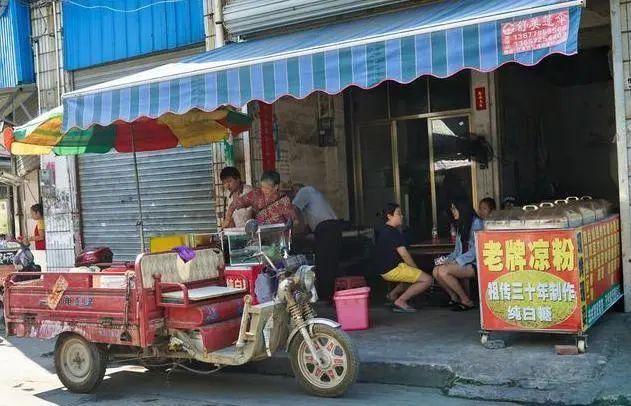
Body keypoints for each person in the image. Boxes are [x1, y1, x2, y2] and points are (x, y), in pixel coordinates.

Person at [432, 197, 496, 311]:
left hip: (475, 263)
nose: (453, 212)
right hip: (462, 262)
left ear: (462, 209)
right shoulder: (461, 224)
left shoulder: (477, 223)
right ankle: (454, 298)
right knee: (436, 271)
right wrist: (446, 259)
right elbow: (457, 251)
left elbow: (477, 249)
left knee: (443, 271)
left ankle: (466, 300)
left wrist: (457, 261)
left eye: (454, 209)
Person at [374, 203, 433, 313]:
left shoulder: (384, 231)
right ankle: (400, 301)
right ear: (389, 216)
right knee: (427, 280)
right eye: (398, 214)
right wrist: (416, 269)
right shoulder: (393, 232)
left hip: (384, 269)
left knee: (412, 277)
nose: (402, 216)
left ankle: (392, 295)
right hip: (392, 269)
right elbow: (404, 255)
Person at [292, 184, 341, 300]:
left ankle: (327, 295)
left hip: (327, 228)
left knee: (324, 263)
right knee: (329, 262)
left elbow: (293, 208)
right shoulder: (313, 200)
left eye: (294, 193)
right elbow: (308, 224)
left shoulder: (305, 190)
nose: (294, 196)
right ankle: (330, 294)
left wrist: (293, 224)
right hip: (331, 228)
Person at [222, 170, 297, 228]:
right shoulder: (255, 194)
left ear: (276, 187)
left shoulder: (284, 201)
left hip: (280, 239)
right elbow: (234, 204)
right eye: (262, 186)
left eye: (267, 188)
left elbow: (294, 221)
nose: (263, 190)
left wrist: (285, 225)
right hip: (260, 237)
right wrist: (227, 219)